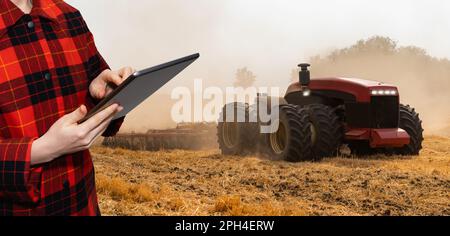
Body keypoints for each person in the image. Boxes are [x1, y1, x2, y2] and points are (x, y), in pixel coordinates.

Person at [0, 0, 134, 215]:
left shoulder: (69, 17)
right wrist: (42, 150)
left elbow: (90, 114)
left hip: (83, 205)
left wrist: (101, 95)